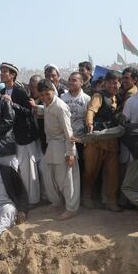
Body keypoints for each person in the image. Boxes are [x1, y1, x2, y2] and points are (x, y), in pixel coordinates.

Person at [0, 62, 41, 205]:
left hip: (25, 136)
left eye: (5, 71)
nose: (2, 73)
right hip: (11, 136)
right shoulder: (2, 91)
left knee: (28, 169)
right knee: (19, 169)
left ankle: (33, 200)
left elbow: (29, 112)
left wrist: (13, 104)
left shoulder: (19, 91)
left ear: (12, 75)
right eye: (1, 71)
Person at [39, 79, 80, 220]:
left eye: (47, 94)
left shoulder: (60, 107)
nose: (45, 97)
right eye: (42, 95)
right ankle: (56, 203)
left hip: (63, 145)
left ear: (53, 91)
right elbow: (45, 110)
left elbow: (69, 132)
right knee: (49, 177)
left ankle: (71, 208)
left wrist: (70, 153)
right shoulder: (46, 104)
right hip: (52, 145)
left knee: (67, 179)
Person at [82, 71, 122, 211]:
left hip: (111, 139)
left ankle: (111, 201)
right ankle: (87, 197)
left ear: (119, 84)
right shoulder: (99, 96)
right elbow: (91, 110)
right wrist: (89, 123)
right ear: (105, 83)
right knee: (90, 170)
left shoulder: (119, 99)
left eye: (116, 82)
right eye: (110, 82)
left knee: (112, 173)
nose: (113, 85)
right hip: (96, 139)